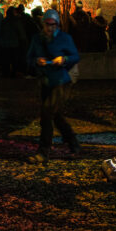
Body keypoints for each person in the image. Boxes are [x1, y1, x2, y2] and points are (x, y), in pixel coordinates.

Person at [24, 9, 81, 164]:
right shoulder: (37, 39)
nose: (50, 28)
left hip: (61, 81)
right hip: (45, 81)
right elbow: (29, 58)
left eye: (53, 25)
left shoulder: (64, 38)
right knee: (55, 116)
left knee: (47, 113)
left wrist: (64, 59)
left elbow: (76, 56)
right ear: (43, 24)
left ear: (57, 25)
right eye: (47, 25)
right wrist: (36, 61)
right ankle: (73, 144)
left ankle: (43, 151)